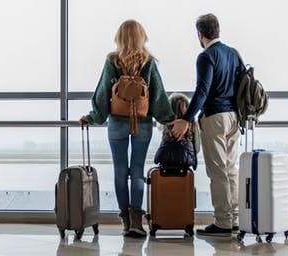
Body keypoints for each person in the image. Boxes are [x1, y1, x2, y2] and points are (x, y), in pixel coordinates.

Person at [80, 20, 175, 238]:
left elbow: (103, 93)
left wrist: (93, 117)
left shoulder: (112, 61)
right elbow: (158, 95)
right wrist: (169, 119)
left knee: (120, 171)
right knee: (138, 171)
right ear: (142, 36)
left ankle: (124, 219)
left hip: (116, 123)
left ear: (120, 37)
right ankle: (136, 223)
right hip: (142, 124)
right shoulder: (148, 62)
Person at [171, 14, 245, 236]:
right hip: (234, 117)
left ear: (200, 34)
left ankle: (222, 222)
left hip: (215, 117)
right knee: (231, 169)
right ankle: (234, 218)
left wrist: (187, 118)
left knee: (218, 171)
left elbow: (202, 91)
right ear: (218, 30)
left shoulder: (206, 56)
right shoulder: (233, 54)